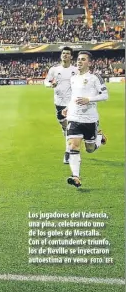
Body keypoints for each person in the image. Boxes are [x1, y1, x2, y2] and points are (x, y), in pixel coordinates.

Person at [62, 51, 108, 188]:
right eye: (78, 59)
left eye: (83, 59)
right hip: (74, 118)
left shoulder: (95, 78)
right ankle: (75, 176)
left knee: (90, 149)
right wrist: (67, 107)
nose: (79, 62)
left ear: (89, 62)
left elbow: (105, 95)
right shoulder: (73, 78)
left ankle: (99, 138)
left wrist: (89, 99)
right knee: (72, 146)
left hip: (90, 119)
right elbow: (74, 96)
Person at [44, 47, 79, 164]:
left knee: (70, 127)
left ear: (71, 57)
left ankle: (68, 152)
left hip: (72, 103)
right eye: (63, 53)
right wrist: (50, 85)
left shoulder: (76, 70)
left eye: (68, 54)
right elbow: (46, 81)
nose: (65, 55)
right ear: (61, 55)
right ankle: (65, 129)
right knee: (62, 122)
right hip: (59, 102)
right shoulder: (54, 69)